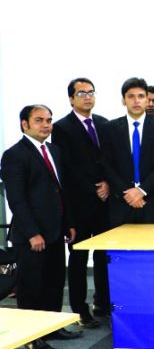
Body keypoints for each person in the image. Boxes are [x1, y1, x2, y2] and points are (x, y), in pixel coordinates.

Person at [3, 105, 84, 347]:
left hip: (56, 232)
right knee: (32, 288)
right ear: (24, 124)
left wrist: (68, 223)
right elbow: (16, 199)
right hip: (32, 236)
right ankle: (33, 338)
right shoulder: (14, 154)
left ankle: (52, 328)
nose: (46, 125)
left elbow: (60, 191)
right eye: (39, 120)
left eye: (48, 120)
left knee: (54, 283)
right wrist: (32, 233)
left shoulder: (53, 150)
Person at [51, 78, 108, 328]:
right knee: (78, 260)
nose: (87, 96)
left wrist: (108, 183)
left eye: (91, 92)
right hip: (79, 205)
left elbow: (111, 159)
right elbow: (67, 169)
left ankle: (103, 303)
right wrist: (93, 188)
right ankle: (79, 309)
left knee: (106, 256)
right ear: (71, 98)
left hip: (106, 203)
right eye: (81, 93)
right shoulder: (61, 128)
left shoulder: (105, 124)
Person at [100, 77, 154, 228]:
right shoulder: (109, 128)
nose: (136, 101)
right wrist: (127, 193)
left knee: (152, 249)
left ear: (147, 100)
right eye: (131, 96)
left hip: (152, 201)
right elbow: (106, 164)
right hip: (121, 202)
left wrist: (142, 190)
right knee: (121, 250)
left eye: (141, 96)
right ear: (123, 100)